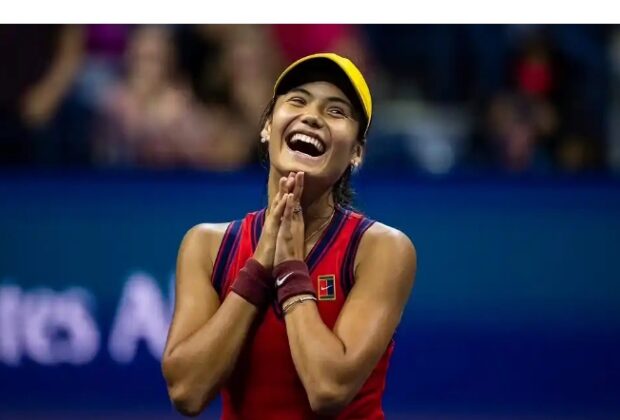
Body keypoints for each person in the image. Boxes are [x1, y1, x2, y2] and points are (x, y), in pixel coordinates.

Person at [162, 53, 417, 419]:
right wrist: (256, 269)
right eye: (297, 101)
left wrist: (290, 270)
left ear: (356, 153)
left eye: (336, 111)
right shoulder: (207, 245)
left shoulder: (382, 249)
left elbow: (328, 390)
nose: (312, 116)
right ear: (268, 127)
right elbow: (186, 392)